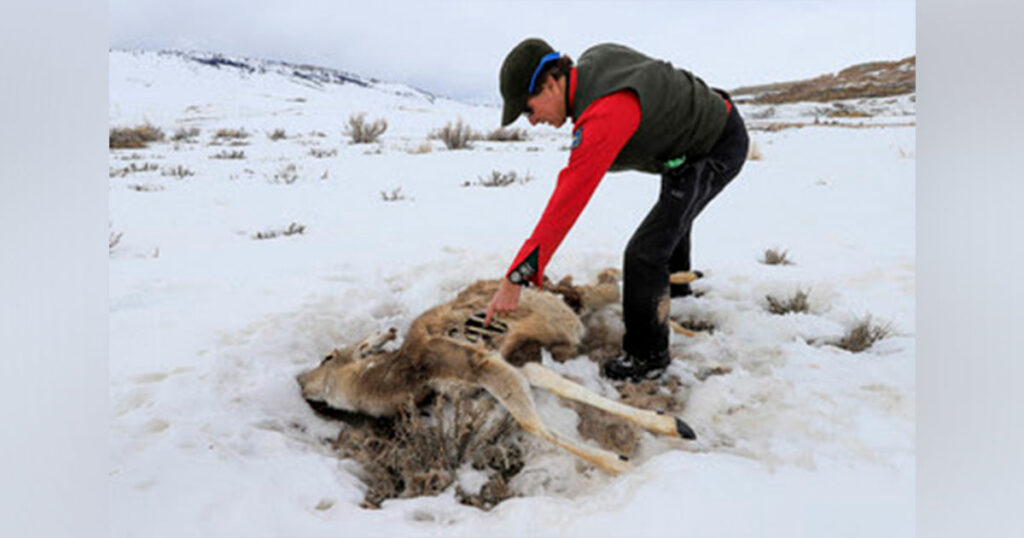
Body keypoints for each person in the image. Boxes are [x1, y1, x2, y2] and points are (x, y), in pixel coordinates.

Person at [484, 38, 749, 381]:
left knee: (643, 254)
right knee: (673, 214)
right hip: (688, 146)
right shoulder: (597, 61)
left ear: (550, 83)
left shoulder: (605, 113)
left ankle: (648, 357)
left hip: (717, 145)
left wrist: (517, 276)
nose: (532, 122)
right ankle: (677, 294)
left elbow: (567, 201)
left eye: (529, 109)